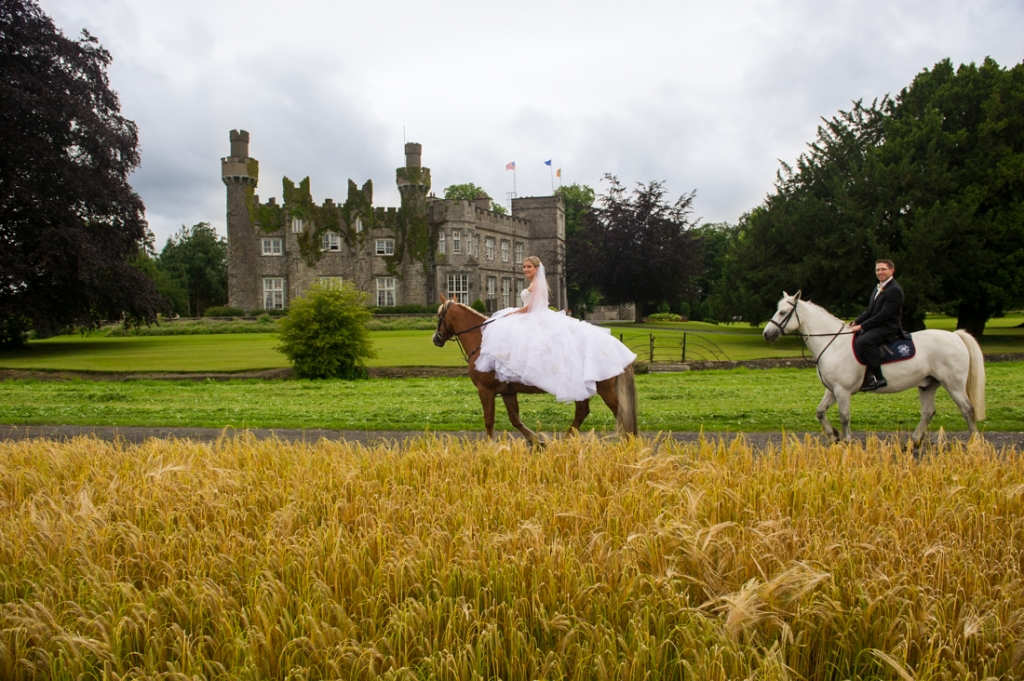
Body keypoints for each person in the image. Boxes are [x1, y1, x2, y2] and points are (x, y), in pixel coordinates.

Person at [475, 256, 637, 403]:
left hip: (537, 315)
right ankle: (511, 377)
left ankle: (533, 374)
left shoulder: (538, 283)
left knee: (530, 340)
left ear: (537, 268)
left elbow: (533, 306)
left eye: (529, 267)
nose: (525, 269)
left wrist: (515, 311)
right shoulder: (532, 283)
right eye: (524, 267)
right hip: (533, 314)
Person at [850, 259, 904, 391]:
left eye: (883, 269)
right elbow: (870, 311)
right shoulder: (878, 288)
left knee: (865, 341)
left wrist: (861, 327)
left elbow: (884, 315)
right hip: (877, 325)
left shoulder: (894, 290)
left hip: (888, 327)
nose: (880, 272)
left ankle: (878, 378)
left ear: (892, 270)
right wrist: (856, 321)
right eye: (877, 269)